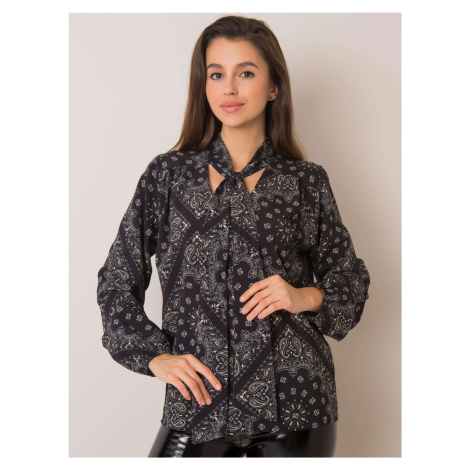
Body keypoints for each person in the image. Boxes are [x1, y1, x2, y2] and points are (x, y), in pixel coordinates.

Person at [96, 15, 371, 458]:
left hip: (296, 403)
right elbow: (116, 281)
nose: (229, 88)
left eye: (245, 73)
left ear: (273, 87)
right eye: (216, 74)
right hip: (198, 401)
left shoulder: (304, 181)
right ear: (203, 86)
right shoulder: (167, 177)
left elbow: (350, 280)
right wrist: (153, 355)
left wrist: (302, 296)